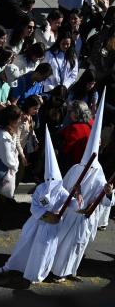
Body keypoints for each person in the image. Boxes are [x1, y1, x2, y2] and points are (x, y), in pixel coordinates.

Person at [0, 127, 70, 283]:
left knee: (42, 251)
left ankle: (34, 275)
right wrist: (47, 215)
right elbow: (35, 206)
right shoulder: (40, 188)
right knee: (24, 245)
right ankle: (9, 267)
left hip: (50, 229)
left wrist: (77, 196)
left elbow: (73, 204)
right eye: (48, 180)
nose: (50, 184)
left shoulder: (63, 192)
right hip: (36, 223)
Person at [52, 96, 114, 282]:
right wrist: (74, 196)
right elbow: (62, 190)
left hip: (86, 217)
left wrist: (108, 193)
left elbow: (103, 197)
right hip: (72, 214)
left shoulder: (99, 170)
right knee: (64, 245)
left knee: (78, 245)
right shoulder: (76, 169)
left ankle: (70, 270)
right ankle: (57, 271)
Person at [59, 100, 92, 172]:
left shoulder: (75, 128)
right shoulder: (92, 123)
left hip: (74, 165)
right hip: (88, 164)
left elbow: (66, 149)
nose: (69, 114)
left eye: (70, 111)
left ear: (77, 113)